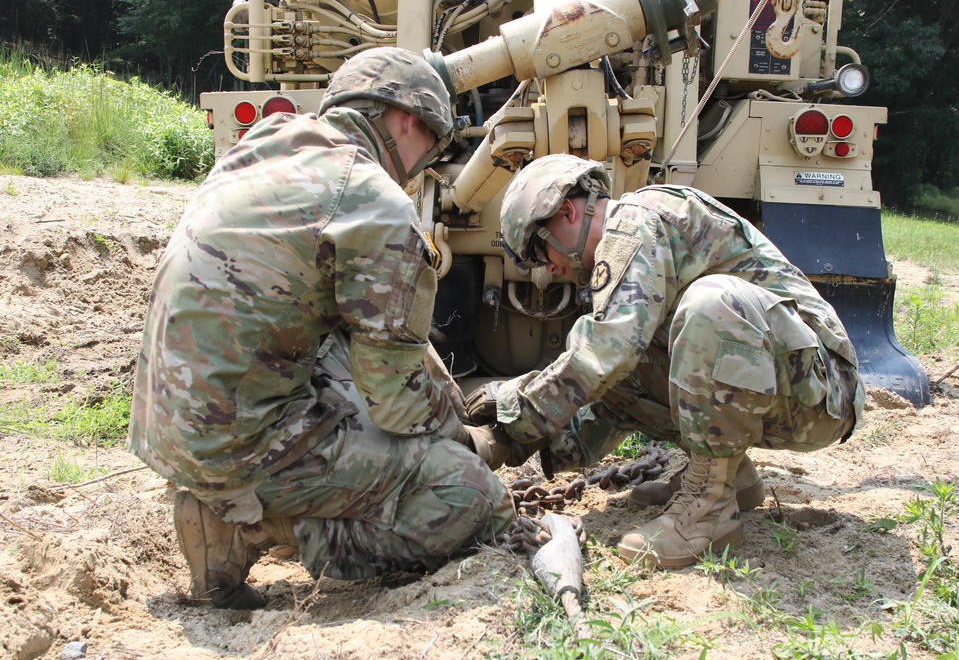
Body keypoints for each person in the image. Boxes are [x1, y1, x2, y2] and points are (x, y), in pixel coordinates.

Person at [129, 47, 515, 610]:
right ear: (407, 119)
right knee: (471, 497)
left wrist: (443, 403)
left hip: (166, 425)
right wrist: (465, 443)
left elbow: (356, 332)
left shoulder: (263, 144)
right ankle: (252, 527)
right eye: (429, 146)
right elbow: (397, 402)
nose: (421, 167)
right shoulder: (373, 201)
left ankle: (241, 499)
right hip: (234, 447)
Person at [466, 153, 864, 569]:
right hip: (790, 382)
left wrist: (516, 408)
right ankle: (732, 477)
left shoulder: (632, 223)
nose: (547, 268)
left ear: (566, 210)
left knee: (709, 307)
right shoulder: (634, 237)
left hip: (823, 392)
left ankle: (709, 509)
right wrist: (516, 442)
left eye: (538, 248)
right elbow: (613, 396)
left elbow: (609, 349)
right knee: (626, 350)